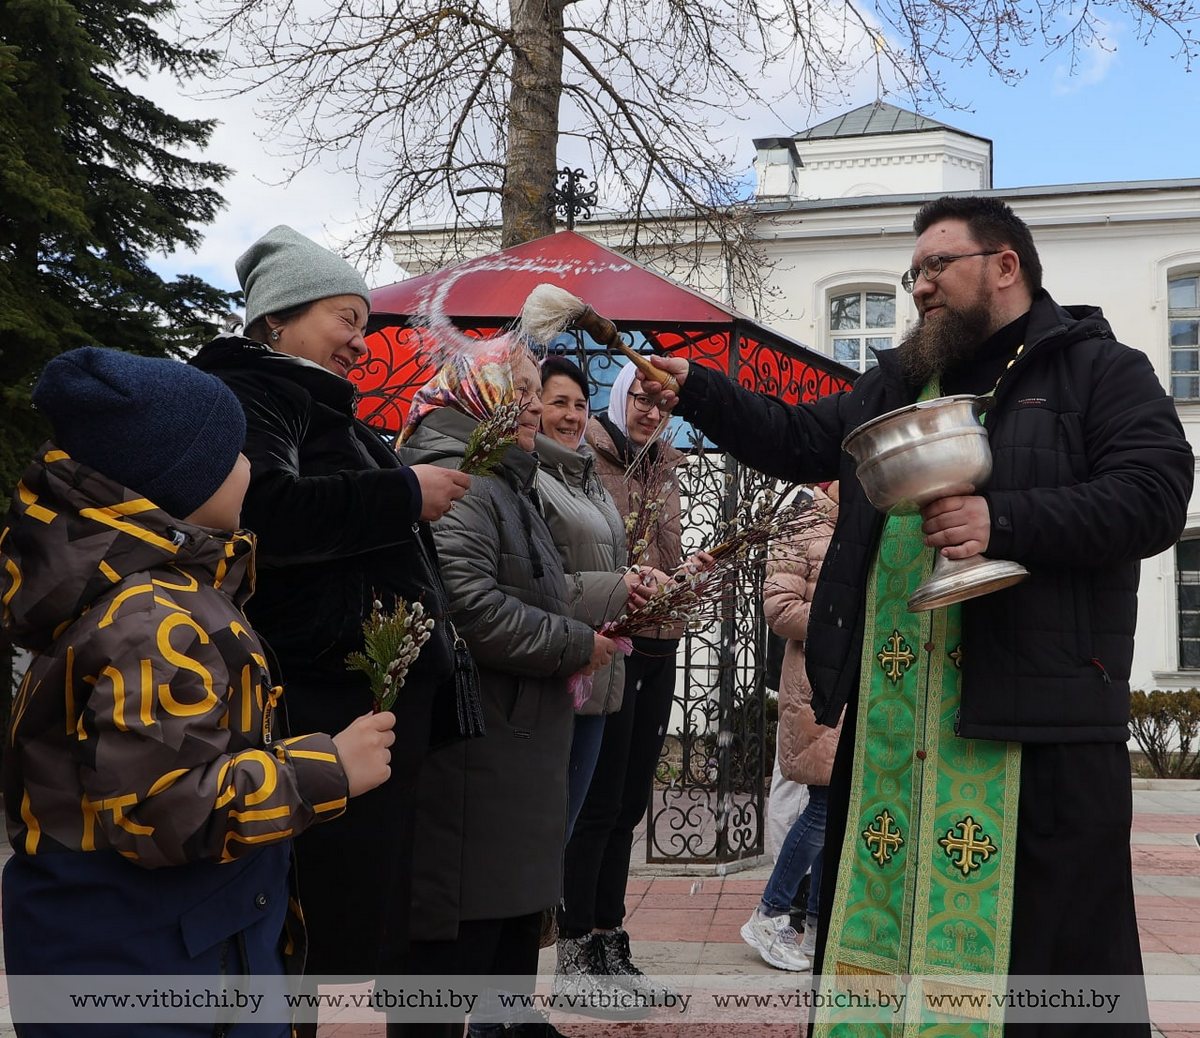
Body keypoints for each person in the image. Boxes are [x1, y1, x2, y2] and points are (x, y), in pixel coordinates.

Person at [642, 195, 1193, 1036]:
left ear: (1006, 265)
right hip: (901, 725)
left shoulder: (1099, 371)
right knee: (884, 947)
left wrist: (1002, 521)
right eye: (915, 271)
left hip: (1034, 728)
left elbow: (1154, 498)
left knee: (1045, 971)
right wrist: (700, 393)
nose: (921, 285)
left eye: (939, 264)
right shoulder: (902, 381)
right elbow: (796, 437)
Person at [0, 347, 396, 1038]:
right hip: (153, 978)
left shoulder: (162, 595)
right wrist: (328, 767)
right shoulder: (156, 618)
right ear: (178, 481)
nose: (250, 465)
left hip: (156, 953)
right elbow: (165, 810)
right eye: (235, 450)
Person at [189, 225, 471, 1032]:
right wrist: (404, 495)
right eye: (345, 317)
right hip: (321, 690)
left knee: (363, 909)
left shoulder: (314, 401)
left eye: (364, 319)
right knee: (324, 913)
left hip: (361, 689)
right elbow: (263, 515)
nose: (361, 338)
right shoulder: (254, 393)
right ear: (278, 318)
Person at [398, 341, 619, 1038]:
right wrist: (578, 646)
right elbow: (468, 608)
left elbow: (536, 590)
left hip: (509, 759)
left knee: (497, 967)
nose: (530, 401)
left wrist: (615, 601)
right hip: (474, 763)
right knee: (438, 990)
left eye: (534, 388)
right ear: (479, 392)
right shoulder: (460, 477)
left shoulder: (503, 479)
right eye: (518, 387)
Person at [557, 360, 690, 996]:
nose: (651, 413)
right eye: (641, 399)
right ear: (619, 398)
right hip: (615, 641)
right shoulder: (592, 460)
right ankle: (574, 938)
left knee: (632, 802)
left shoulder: (668, 465)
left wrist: (684, 573)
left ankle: (610, 932)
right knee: (599, 801)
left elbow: (664, 547)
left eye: (662, 405)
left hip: (662, 637)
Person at [537, 355, 650, 835]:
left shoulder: (585, 478)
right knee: (546, 832)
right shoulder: (528, 476)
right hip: (554, 668)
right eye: (558, 402)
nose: (571, 415)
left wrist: (639, 579)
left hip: (598, 671)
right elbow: (533, 583)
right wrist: (616, 587)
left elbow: (604, 563)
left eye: (580, 404)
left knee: (573, 823)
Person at [741, 481, 841, 973]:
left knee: (836, 807)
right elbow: (779, 610)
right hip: (815, 686)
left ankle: (816, 928)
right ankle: (769, 912)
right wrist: (842, 624)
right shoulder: (799, 523)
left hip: (854, 689)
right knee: (820, 808)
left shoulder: (879, 522)